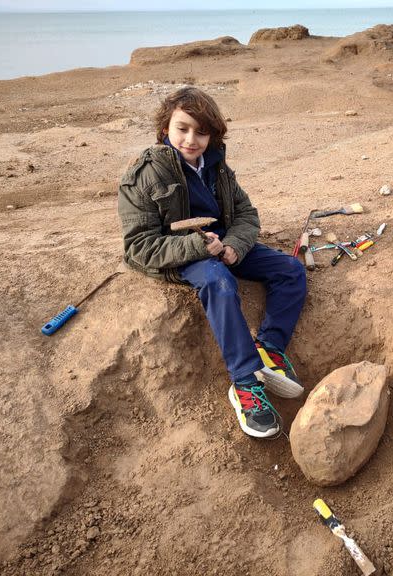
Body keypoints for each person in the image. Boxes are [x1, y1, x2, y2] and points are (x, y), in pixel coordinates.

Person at [118, 86, 307, 439]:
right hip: (180, 253)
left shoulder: (217, 165)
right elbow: (139, 247)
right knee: (219, 281)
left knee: (291, 270)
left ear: (212, 134)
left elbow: (246, 214)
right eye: (182, 128)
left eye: (201, 132)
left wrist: (234, 245)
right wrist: (199, 248)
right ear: (165, 128)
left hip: (220, 243)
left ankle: (270, 349)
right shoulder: (144, 175)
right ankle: (245, 383)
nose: (191, 139)